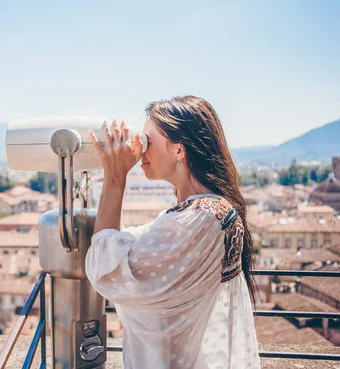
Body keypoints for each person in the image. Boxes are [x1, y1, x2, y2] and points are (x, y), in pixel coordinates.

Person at [85, 96, 260, 369]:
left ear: (179, 151)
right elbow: (128, 246)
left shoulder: (201, 219)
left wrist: (115, 177)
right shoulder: (202, 213)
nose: (140, 150)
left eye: (148, 141)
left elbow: (106, 269)